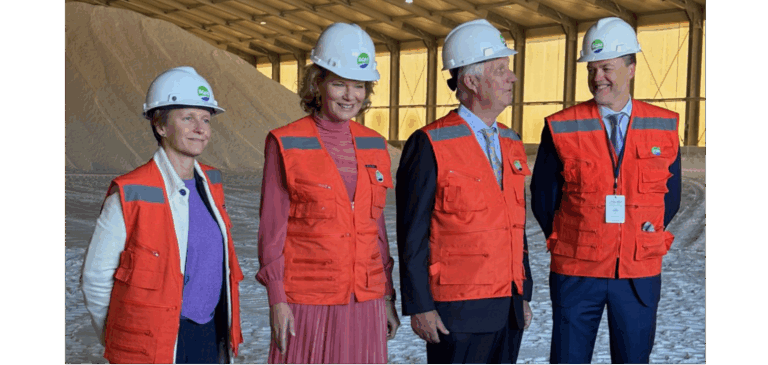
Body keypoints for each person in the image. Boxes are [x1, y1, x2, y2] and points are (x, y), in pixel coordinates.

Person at [530, 17, 682, 364]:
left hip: (637, 270)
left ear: (631, 68)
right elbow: (543, 198)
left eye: (607, 68)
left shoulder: (663, 124)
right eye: (592, 69)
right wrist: (579, 234)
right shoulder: (562, 126)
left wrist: (638, 230)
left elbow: (669, 196)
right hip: (577, 269)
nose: (598, 78)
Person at [256, 22, 400, 364]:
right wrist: (277, 300)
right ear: (317, 83)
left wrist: (387, 297)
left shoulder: (374, 144)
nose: (350, 96)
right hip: (307, 299)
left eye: (359, 86)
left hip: (364, 300)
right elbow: (271, 233)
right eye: (339, 84)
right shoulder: (286, 142)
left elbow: (375, 231)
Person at [80, 66, 244, 364]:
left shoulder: (212, 183)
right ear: (160, 125)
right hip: (154, 339)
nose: (200, 128)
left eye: (205, 119)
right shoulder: (131, 192)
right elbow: (96, 277)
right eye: (187, 118)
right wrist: (123, 336)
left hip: (209, 331)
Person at [396, 19, 533, 364]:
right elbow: (412, 234)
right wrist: (419, 305)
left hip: (508, 307)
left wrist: (523, 294)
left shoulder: (512, 141)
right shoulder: (429, 143)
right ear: (470, 81)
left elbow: (515, 225)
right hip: (456, 311)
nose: (511, 78)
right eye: (501, 70)